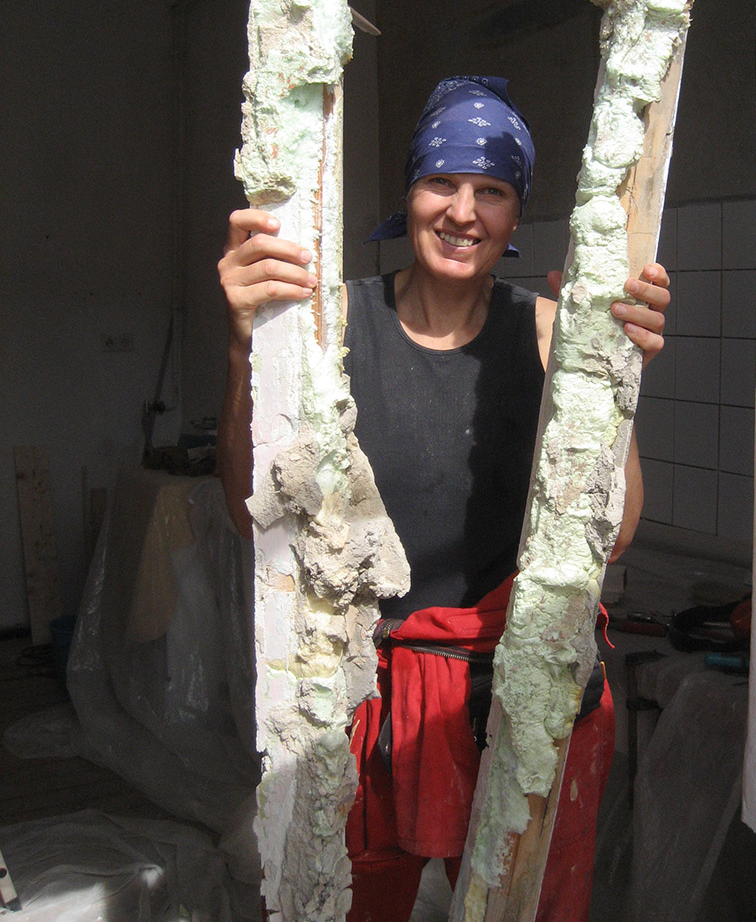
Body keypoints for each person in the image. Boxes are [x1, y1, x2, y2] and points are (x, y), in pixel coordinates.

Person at [218, 76, 670, 921]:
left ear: (516, 210)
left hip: (514, 691)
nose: (462, 212)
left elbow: (612, 537)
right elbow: (251, 513)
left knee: (518, 904)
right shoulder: (331, 324)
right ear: (409, 194)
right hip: (363, 695)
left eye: (491, 190)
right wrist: (247, 346)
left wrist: (612, 380)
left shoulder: (547, 330)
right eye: (441, 182)